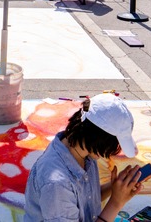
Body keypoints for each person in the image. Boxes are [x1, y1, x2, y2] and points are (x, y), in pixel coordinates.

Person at [24, 94, 144, 222]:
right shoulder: (57, 183)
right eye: (108, 147)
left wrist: (114, 187)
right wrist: (116, 203)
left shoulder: (82, 151)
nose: (106, 154)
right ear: (97, 138)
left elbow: (86, 199)